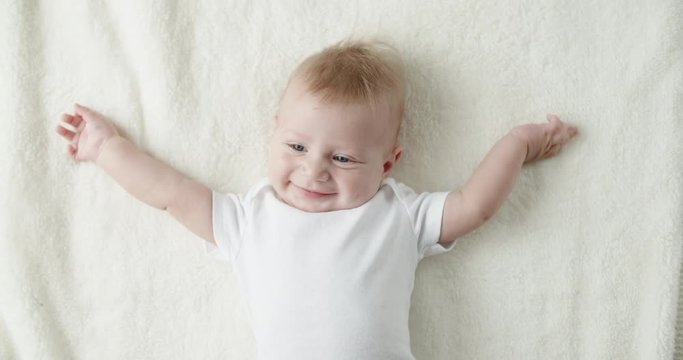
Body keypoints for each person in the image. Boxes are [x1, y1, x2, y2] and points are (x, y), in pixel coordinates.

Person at [56, 39, 577, 359]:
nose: (314, 170)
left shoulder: (398, 214)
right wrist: (105, 148)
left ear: (388, 164)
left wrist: (517, 145)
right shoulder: (249, 219)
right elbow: (168, 193)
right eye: (297, 146)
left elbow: (474, 204)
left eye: (344, 159)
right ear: (274, 132)